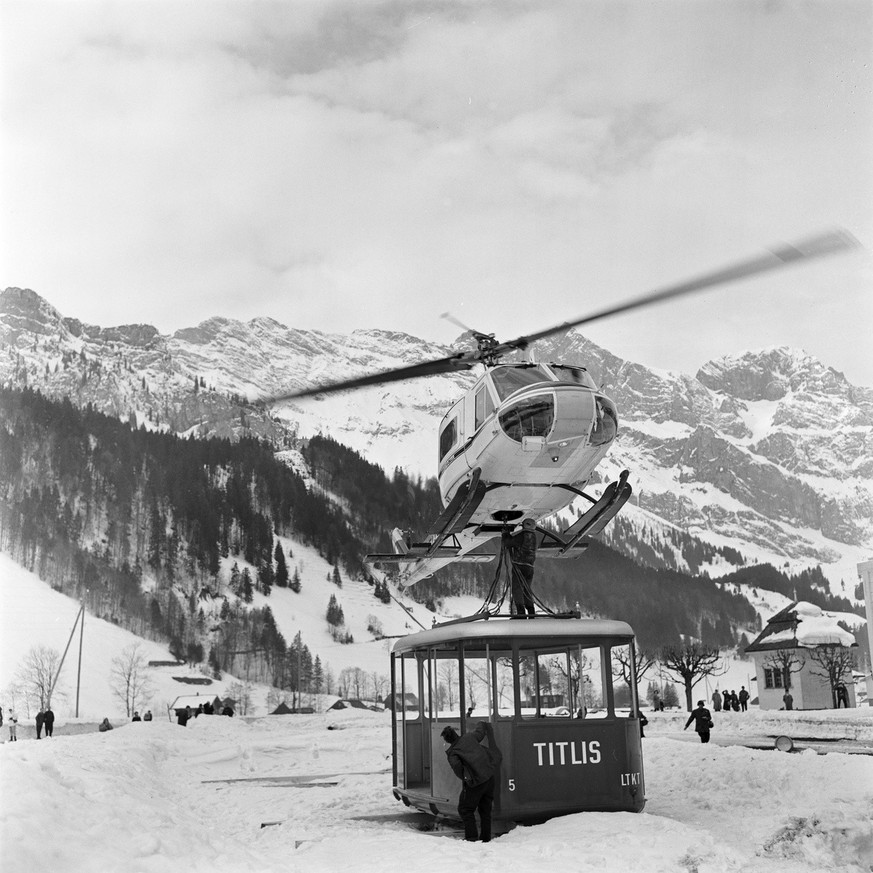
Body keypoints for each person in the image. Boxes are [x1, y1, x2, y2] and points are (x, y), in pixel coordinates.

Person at [440, 722, 500, 842]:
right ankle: (485, 838)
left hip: (476, 783)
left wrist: (468, 778)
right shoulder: (469, 737)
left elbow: (458, 770)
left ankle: (471, 838)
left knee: (465, 809)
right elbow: (480, 732)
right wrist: (481, 724)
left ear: (447, 741)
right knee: (485, 810)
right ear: (456, 734)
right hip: (489, 777)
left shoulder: (453, 753)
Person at [503, 519, 538, 617]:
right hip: (530, 567)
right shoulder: (534, 537)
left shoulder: (523, 536)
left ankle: (521, 612)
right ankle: (531, 612)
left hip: (519, 566)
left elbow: (508, 543)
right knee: (527, 589)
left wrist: (505, 534)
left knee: (517, 589)